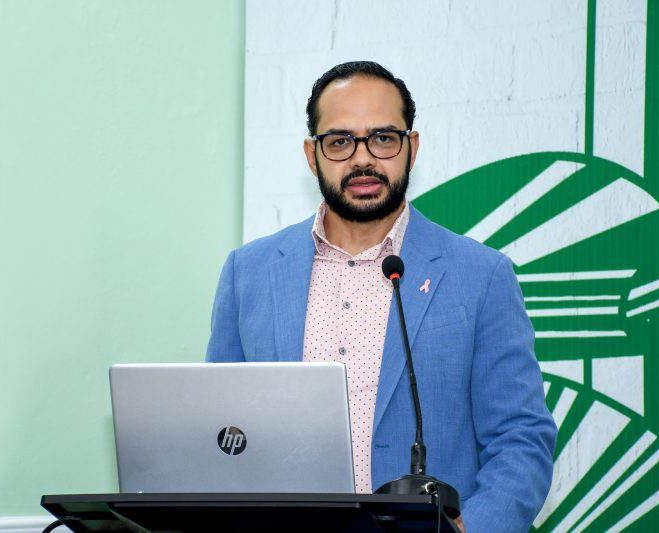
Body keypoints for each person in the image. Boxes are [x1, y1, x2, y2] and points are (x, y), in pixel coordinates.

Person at [207, 61, 556, 533]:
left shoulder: (482, 275)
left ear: (412, 147)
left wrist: (468, 531)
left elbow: (521, 437)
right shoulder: (247, 273)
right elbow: (222, 437)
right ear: (312, 155)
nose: (362, 159)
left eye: (384, 138)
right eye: (339, 141)